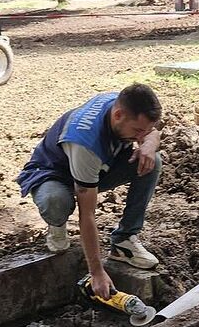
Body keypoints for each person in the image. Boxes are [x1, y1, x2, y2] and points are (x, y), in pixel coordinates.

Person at [16, 84, 163, 299]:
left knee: (152, 162)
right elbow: (88, 214)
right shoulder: (85, 142)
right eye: (138, 131)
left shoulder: (124, 105)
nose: (140, 135)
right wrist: (96, 272)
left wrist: (150, 143)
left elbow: (153, 131)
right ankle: (56, 227)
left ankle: (124, 241)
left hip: (99, 165)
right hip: (54, 173)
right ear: (118, 115)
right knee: (56, 201)